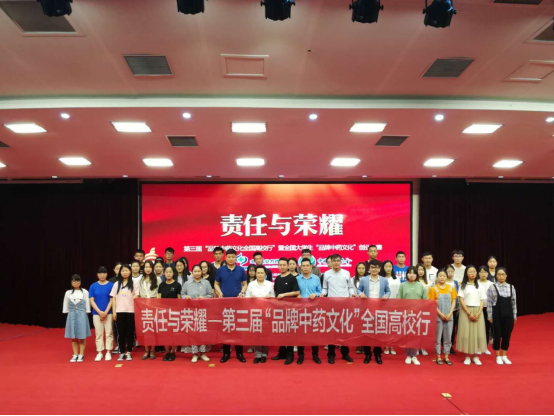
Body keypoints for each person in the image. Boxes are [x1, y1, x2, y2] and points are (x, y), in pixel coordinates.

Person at [322, 253, 357, 364]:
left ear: (341, 262)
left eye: (338, 260)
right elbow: (325, 288)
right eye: (334, 261)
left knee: (344, 330)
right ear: (331, 262)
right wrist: (322, 294)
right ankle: (331, 354)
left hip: (345, 306)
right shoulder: (326, 274)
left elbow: (350, 288)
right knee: (332, 330)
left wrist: (353, 294)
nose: (336, 262)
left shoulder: (346, 273)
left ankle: (345, 353)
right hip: (331, 306)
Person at [214, 248, 248, 363]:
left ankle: (239, 353)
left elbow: (245, 284)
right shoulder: (221, 270)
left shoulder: (241, 270)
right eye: (229, 257)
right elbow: (216, 284)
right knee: (226, 328)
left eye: (233, 257)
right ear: (226, 257)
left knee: (238, 329)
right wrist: (219, 293)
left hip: (238, 304)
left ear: (236, 258)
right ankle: (226, 353)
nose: (231, 259)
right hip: (224, 304)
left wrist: (242, 292)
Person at [357, 260, 391, 365]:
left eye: (376, 267)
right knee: (367, 332)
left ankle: (377, 354)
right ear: (369, 268)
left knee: (378, 333)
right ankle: (367, 354)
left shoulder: (384, 280)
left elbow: (388, 291)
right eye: (372, 267)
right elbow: (359, 290)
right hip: (367, 309)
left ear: (380, 269)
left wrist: (386, 295)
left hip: (379, 309)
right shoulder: (364, 279)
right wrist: (361, 294)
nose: (374, 269)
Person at [271, 257, 301, 365]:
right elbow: (276, 293)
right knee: (281, 332)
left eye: (284, 265)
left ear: (288, 266)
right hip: (279, 309)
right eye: (280, 265)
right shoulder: (277, 278)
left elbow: (297, 292)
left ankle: (290, 355)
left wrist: (284, 295)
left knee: (290, 333)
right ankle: (282, 353)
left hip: (291, 309)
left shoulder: (292, 278)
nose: (282, 267)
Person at [181, 265, 213, 362]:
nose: (197, 273)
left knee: (202, 332)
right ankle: (194, 353)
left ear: (202, 272)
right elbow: (182, 294)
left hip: (203, 311)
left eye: (199, 271)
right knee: (193, 332)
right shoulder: (187, 283)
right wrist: (186, 297)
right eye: (195, 271)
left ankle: (203, 353)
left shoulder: (206, 283)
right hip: (190, 311)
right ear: (192, 272)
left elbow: (210, 294)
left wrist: (204, 298)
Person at [457, 265, 487, 366]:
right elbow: (461, 300)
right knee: (466, 333)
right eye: (470, 272)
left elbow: (482, 300)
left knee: (477, 333)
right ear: (466, 273)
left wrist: (478, 313)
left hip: (478, 311)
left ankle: (475, 356)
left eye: (474, 271)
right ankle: (467, 356)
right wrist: (469, 313)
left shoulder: (480, 286)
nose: (472, 273)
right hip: (466, 311)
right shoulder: (463, 286)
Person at [487, 267, 517, 365]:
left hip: (509, 315)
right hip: (496, 315)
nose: (501, 276)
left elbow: (513, 302)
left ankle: (504, 355)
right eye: (499, 274)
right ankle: (498, 356)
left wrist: (514, 315)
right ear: (496, 276)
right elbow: (489, 302)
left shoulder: (511, 287)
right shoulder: (492, 287)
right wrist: (489, 315)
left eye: (503, 274)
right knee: (497, 336)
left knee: (507, 336)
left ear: (506, 276)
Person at [245, 265, 275, 364]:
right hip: (255, 313)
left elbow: (274, 298)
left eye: (262, 273)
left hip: (266, 313)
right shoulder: (251, 284)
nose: (260, 274)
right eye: (258, 273)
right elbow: (246, 298)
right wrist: (251, 299)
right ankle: (257, 355)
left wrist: (270, 298)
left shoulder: (270, 284)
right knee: (257, 334)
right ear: (255, 274)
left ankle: (264, 355)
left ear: (265, 274)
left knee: (265, 334)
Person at [397, 266, 427, 366]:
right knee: (407, 335)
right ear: (406, 274)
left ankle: (414, 355)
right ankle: (408, 355)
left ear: (417, 275)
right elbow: (399, 299)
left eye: (414, 273)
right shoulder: (403, 285)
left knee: (415, 335)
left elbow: (425, 300)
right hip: (406, 314)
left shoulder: (420, 285)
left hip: (418, 314)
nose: (412, 275)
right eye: (410, 273)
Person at [296, 258, 322, 365]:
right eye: (303, 266)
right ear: (300, 267)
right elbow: (294, 291)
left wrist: (315, 294)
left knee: (314, 332)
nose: (305, 268)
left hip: (313, 309)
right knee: (300, 333)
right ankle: (300, 355)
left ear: (311, 267)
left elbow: (320, 292)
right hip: (300, 309)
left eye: (307, 266)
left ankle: (315, 355)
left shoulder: (316, 278)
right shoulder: (297, 278)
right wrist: (297, 295)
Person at [428, 269, 457, 366]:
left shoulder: (451, 288)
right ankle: (438, 356)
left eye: (444, 276)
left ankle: (446, 356)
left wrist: (450, 313)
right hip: (438, 316)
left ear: (446, 277)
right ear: (437, 277)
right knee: (438, 337)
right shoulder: (433, 289)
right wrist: (440, 314)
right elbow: (432, 304)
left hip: (449, 316)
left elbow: (454, 301)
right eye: (440, 276)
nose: (442, 278)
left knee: (448, 337)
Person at [110, 264, 139, 362]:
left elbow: (137, 295)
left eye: (126, 270)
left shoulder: (134, 283)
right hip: (119, 311)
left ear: (130, 272)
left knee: (130, 332)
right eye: (123, 271)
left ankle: (129, 351)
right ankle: (122, 352)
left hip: (131, 311)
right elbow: (113, 298)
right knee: (121, 333)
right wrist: (114, 312)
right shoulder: (116, 284)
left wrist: (134, 297)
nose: (125, 272)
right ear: (120, 272)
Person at [63, 274, 91, 363]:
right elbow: (65, 305)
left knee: (82, 335)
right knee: (73, 336)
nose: (76, 283)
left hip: (82, 315)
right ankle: (75, 354)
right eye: (74, 281)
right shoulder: (68, 293)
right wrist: (67, 312)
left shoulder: (85, 292)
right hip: (71, 315)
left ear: (80, 282)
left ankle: (81, 354)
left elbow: (87, 304)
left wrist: (87, 312)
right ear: (71, 282)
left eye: (78, 281)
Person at [89, 267, 114, 362]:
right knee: (98, 333)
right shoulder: (93, 286)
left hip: (109, 313)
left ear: (107, 274)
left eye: (104, 273)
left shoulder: (111, 285)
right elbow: (91, 300)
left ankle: (108, 351)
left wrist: (106, 312)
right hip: (96, 313)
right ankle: (99, 352)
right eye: (100, 273)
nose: (102, 275)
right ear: (97, 275)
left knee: (109, 333)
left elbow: (112, 300)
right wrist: (99, 312)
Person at [158, 266, 182, 362]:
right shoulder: (161, 285)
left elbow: (179, 300)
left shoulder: (177, 285)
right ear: (164, 273)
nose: (168, 274)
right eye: (166, 272)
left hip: (174, 313)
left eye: (170, 272)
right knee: (165, 333)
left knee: (173, 333)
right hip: (163, 312)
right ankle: (167, 352)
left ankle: (173, 352)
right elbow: (159, 299)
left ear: (173, 273)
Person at [138, 261, 161, 360]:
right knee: (145, 328)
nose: (148, 269)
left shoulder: (157, 279)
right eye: (146, 267)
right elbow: (139, 293)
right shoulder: (141, 279)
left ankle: (152, 350)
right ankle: (146, 350)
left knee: (153, 329)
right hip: (143, 306)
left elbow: (159, 293)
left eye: (149, 267)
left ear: (152, 268)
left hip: (154, 305)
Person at [379, 260, 400, 355]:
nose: (388, 268)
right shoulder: (380, 278)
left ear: (392, 268)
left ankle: (392, 345)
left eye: (390, 267)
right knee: (385, 325)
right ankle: (386, 345)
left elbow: (398, 292)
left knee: (393, 326)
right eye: (386, 266)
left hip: (394, 304)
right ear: (383, 268)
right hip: (383, 304)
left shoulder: (397, 278)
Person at [477, 266, 493, 355]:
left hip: (488, 308)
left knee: (487, 327)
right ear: (478, 273)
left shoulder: (491, 284)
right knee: (478, 328)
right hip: (477, 308)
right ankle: (478, 347)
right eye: (481, 272)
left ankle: (485, 347)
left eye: (485, 272)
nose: (483, 274)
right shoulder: (476, 283)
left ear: (488, 273)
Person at [445, 264, 460, 355]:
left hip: (454, 308)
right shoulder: (442, 281)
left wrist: (459, 307)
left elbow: (458, 296)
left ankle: (450, 346)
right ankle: (443, 345)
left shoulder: (456, 283)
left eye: (452, 271)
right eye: (448, 271)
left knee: (453, 328)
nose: (450, 273)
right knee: (443, 328)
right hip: (443, 308)